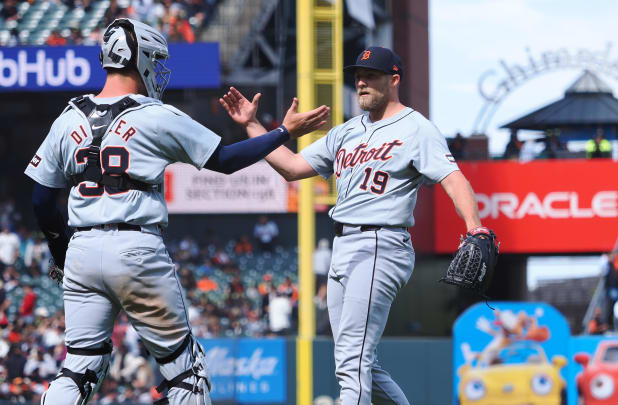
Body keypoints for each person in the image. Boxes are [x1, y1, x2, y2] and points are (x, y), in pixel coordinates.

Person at [24, 18, 328, 405]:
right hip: (135, 246)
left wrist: (61, 253)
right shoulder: (155, 114)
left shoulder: (67, 118)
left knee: (80, 366)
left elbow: (40, 199)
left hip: (81, 248)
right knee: (187, 372)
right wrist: (282, 132)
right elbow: (226, 161)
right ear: (141, 59)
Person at [220, 46, 487, 405]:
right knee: (361, 362)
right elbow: (292, 168)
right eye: (358, 75)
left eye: (371, 75)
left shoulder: (417, 128)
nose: (361, 81)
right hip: (343, 246)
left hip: (381, 242)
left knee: (352, 362)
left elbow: (453, 178)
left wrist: (475, 227)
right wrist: (254, 125)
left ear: (394, 80)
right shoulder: (347, 131)